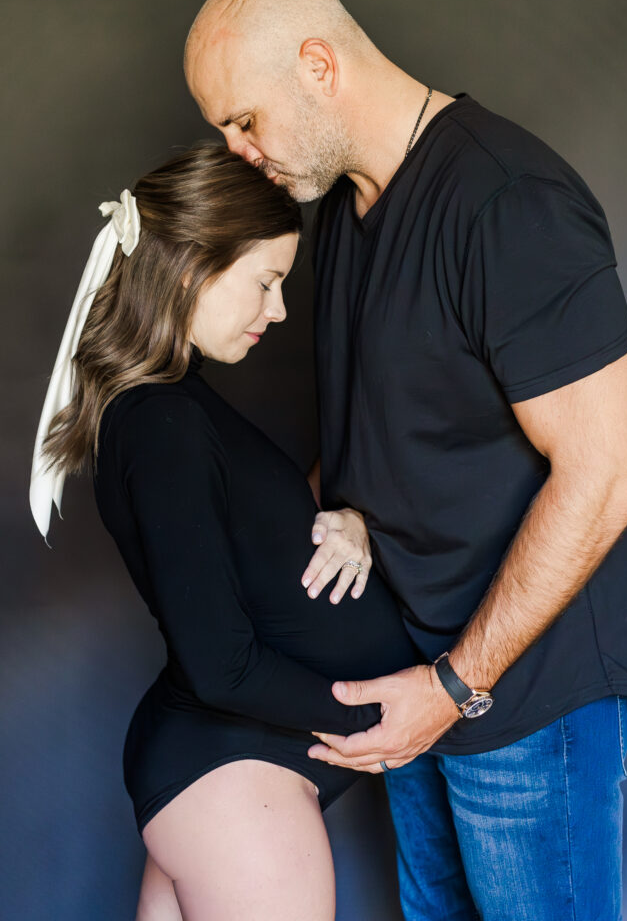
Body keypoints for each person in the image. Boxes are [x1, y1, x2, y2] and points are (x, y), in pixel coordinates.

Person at [184, 0, 627, 920]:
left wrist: (453, 686)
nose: (237, 151)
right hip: (413, 675)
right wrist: (341, 520)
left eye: (242, 120)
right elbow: (395, 428)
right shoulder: (341, 215)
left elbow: (608, 470)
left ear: (317, 66)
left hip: (520, 694)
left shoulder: (508, 201)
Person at [29, 143, 419, 921]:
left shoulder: (170, 407)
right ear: (187, 270)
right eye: (266, 282)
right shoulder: (162, 421)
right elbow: (220, 665)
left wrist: (345, 517)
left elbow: (247, 542)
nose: (277, 309)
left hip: (220, 779)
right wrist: (383, 720)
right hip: (236, 785)